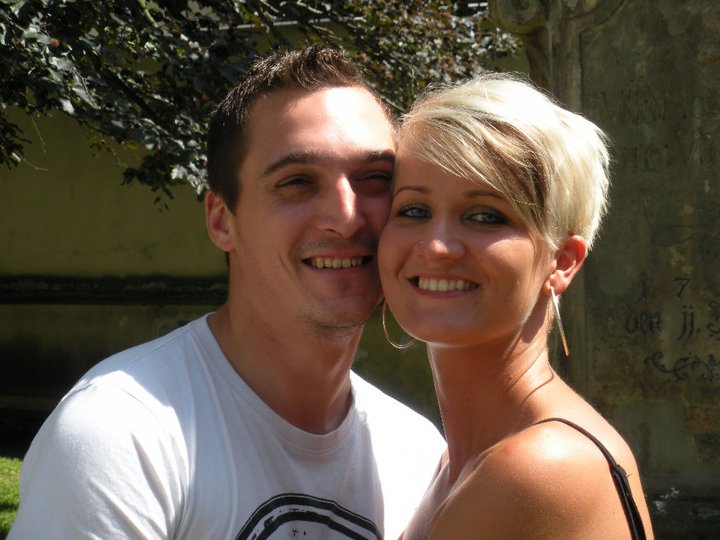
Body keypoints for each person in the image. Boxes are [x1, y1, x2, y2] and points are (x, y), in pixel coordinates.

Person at [10, 45, 445, 540]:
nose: (347, 217)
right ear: (222, 220)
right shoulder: (121, 433)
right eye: (298, 182)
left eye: (375, 179)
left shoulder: (417, 455)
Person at [378, 72, 655, 539]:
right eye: (414, 210)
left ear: (562, 262)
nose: (437, 246)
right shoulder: (458, 461)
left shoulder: (537, 467)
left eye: (486, 216)